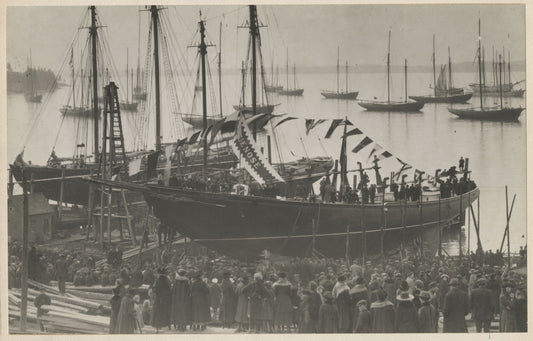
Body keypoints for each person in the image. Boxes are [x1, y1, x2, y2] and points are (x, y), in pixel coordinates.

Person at [151, 268, 172, 333]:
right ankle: (167, 325)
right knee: (166, 312)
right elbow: (169, 288)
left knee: (157, 312)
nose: (155, 275)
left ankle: (157, 326)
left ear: (158, 273)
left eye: (155, 273)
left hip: (159, 299)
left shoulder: (158, 280)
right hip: (166, 299)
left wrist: (153, 290)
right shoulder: (167, 279)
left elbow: (157, 290)